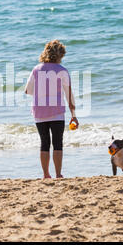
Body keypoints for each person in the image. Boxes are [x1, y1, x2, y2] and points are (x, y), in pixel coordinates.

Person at [25, 40, 79, 179]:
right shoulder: (62, 71)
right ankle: (58, 174)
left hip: (39, 111)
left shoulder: (36, 69)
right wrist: (74, 115)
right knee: (57, 143)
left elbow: (28, 91)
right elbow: (69, 95)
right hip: (57, 113)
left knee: (44, 143)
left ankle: (45, 174)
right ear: (60, 55)